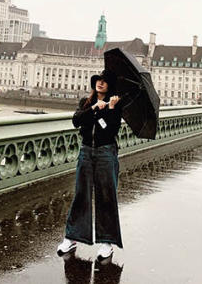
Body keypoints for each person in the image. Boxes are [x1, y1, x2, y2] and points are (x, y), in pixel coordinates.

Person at [57, 70, 123, 261]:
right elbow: (76, 121)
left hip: (105, 153)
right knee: (81, 194)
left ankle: (107, 243)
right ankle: (72, 237)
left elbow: (110, 131)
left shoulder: (116, 106)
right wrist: (95, 108)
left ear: (110, 86)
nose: (100, 83)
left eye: (104, 81)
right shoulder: (85, 103)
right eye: (98, 81)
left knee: (106, 196)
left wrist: (109, 109)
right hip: (86, 151)